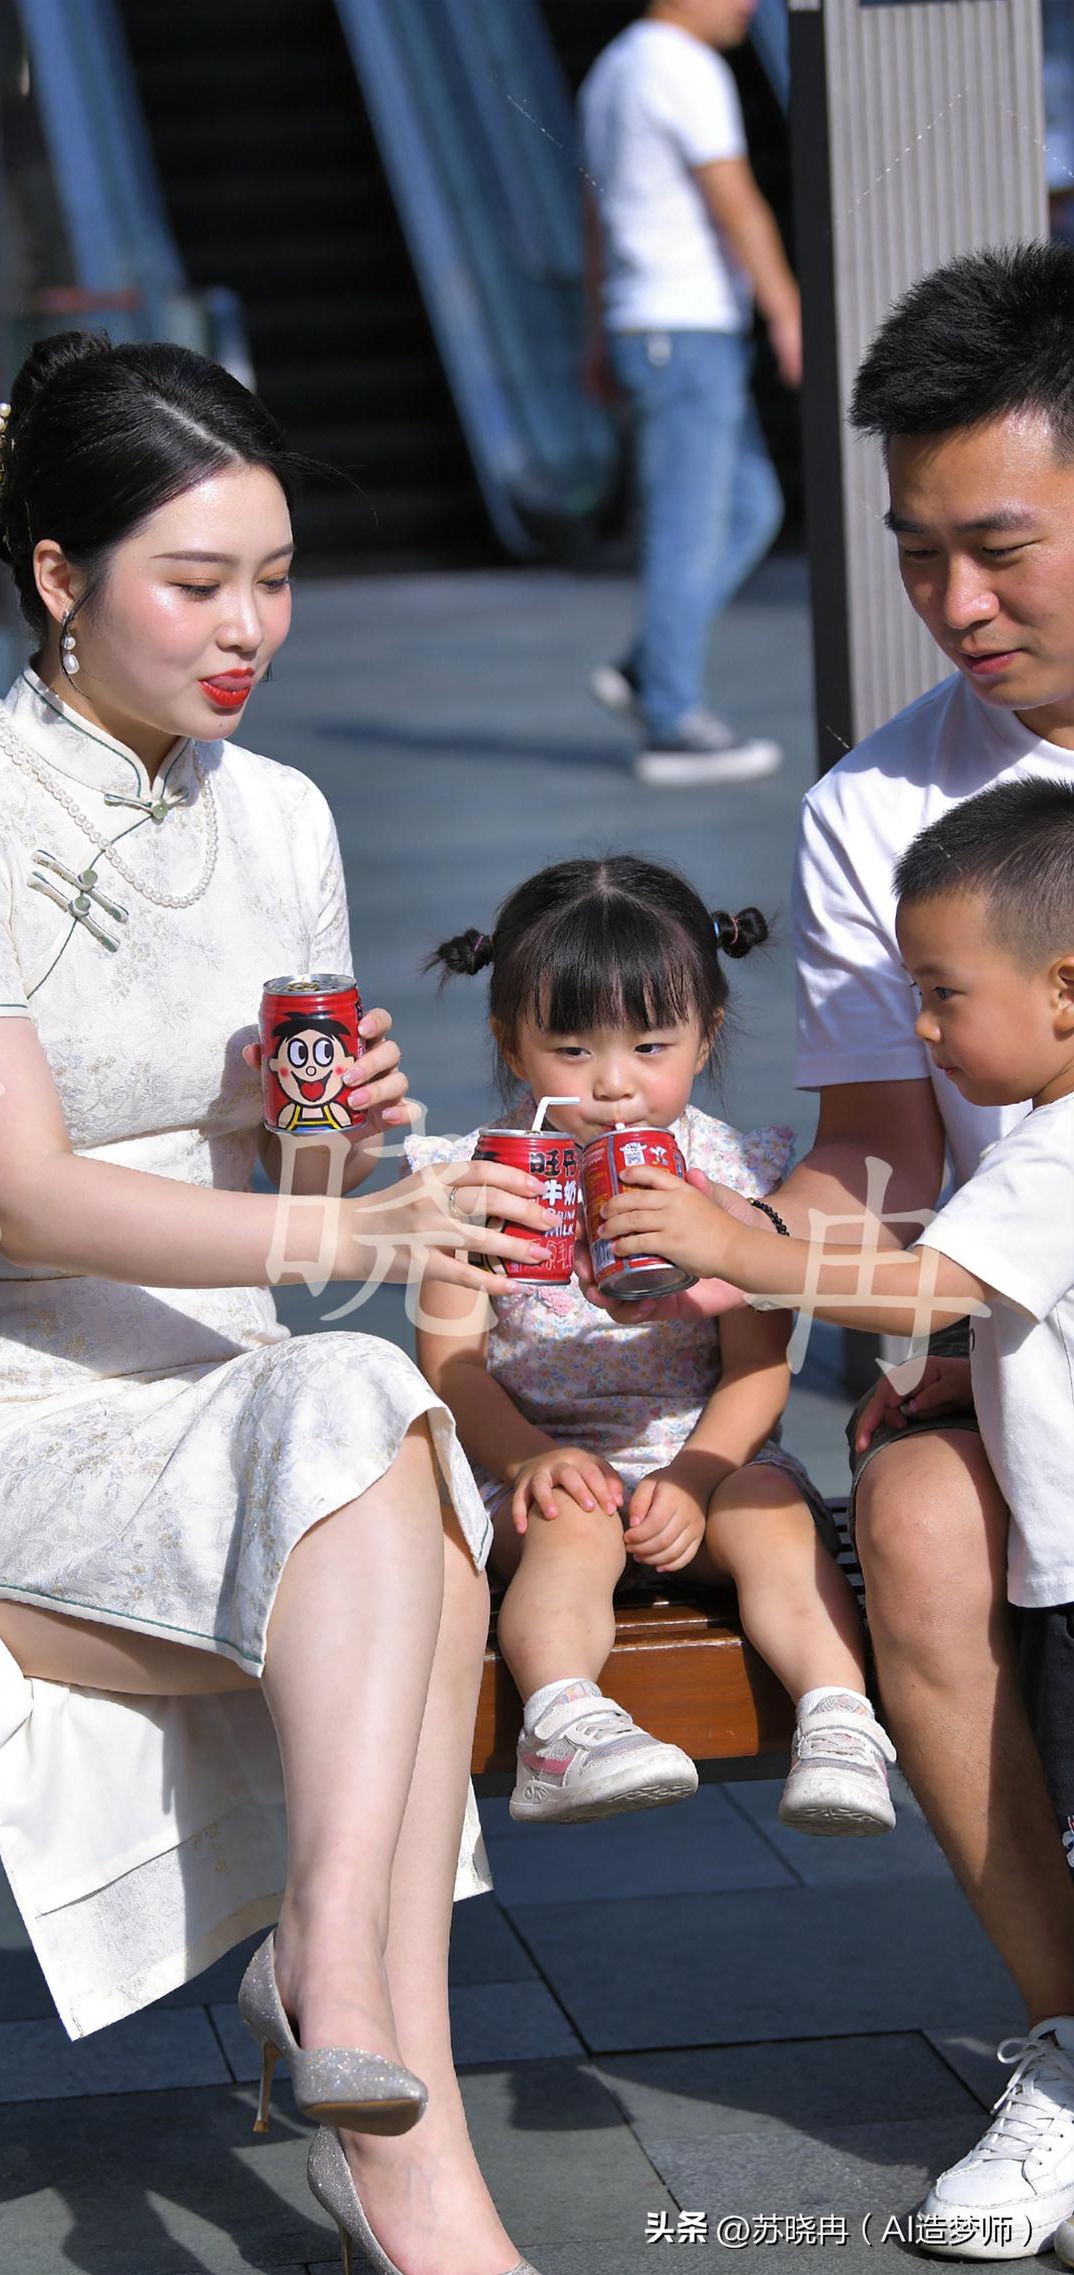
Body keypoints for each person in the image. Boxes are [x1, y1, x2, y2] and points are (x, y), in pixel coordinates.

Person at [0, 331, 554, 2275]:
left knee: (350, 1416)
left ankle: (347, 2002)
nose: (252, 629)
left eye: (277, 577)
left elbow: (295, 1182)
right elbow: (30, 1195)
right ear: (58, 576)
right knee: (366, 1429)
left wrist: (333, 1142)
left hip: (236, 1382)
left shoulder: (286, 815)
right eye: (197, 583)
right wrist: (362, 1231)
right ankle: (396, 2123)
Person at [614, 243, 1074, 2260]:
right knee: (916, 1509)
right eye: (913, 558)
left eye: (999, 548)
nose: (955, 606)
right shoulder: (874, 805)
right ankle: (1068, 2044)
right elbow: (879, 1157)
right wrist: (707, 1236)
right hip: (1003, 1338)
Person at [405, 856, 896, 1834]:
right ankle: (562, 1722)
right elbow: (449, 1363)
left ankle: (839, 1717)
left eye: (648, 1045)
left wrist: (702, 1471)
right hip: (537, 1474)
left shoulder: (733, 1177)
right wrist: (531, 1457)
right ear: (509, 1040)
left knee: (770, 1506)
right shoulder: (475, 1181)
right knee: (573, 1524)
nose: (613, 1084)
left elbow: (759, 1363)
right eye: (572, 1049)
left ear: (705, 1036)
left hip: (699, 1461)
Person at [578, 0, 801, 786]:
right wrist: (786, 306)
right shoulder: (684, 66)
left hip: (654, 327)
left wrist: (599, 329)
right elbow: (733, 197)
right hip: (686, 329)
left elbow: (598, 215)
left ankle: (649, 667)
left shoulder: (613, 69)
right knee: (686, 526)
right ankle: (672, 722)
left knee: (749, 509)